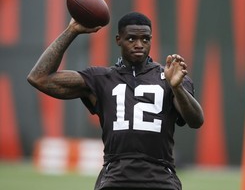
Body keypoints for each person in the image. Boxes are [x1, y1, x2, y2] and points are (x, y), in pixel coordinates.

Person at [27, 12, 204, 190]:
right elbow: (39, 78)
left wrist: (177, 88)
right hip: (115, 176)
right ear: (118, 40)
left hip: (160, 175)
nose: (139, 45)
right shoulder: (101, 78)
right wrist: (71, 31)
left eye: (145, 39)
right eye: (131, 39)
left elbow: (196, 121)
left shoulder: (170, 76)